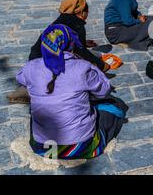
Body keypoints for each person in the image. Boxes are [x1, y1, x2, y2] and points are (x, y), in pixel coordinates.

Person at [17, 24, 128, 159]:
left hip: (42, 146)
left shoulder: (30, 67)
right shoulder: (82, 68)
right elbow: (103, 91)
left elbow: (21, 79)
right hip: (79, 146)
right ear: (70, 44)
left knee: (36, 109)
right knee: (115, 107)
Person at [7, 0, 110, 104]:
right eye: (86, 11)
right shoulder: (77, 24)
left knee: (40, 76)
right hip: (54, 64)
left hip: (36, 59)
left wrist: (84, 43)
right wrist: (101, 65)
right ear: (81, 13)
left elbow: (64, 40)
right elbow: (81, 52)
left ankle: (32, 87)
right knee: (85, 65)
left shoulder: (59, 21)